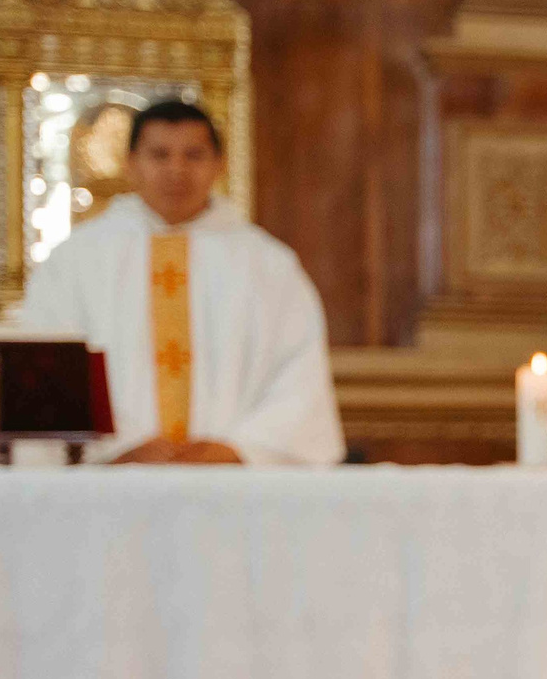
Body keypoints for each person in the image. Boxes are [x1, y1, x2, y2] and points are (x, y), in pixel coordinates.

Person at [17, 100, 343, 465]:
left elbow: (298, 375)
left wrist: (238, 448)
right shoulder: (76, 260)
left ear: (219, 164)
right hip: (112, 482)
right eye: (159, 155)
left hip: (234, 484)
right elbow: (49, 368)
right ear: (131, 164)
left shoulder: (268, 265)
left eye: (193, 155)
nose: (176, 170)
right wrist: (120, 447)